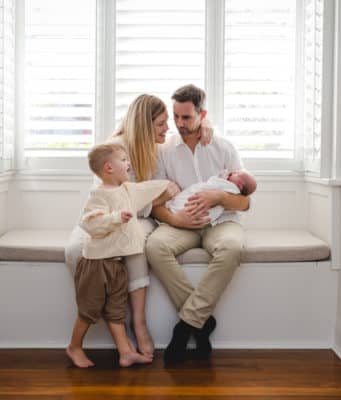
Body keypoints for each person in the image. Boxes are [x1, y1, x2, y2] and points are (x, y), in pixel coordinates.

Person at [65, 94, 212, 358]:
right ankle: (113, 329)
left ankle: (139, 323)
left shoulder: (157, 148)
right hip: (104, 214)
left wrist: (207, 124)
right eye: (161, 123)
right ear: (144, 125)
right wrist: (161, 196)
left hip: (137, 217)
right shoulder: (115, 150)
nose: (167, 128)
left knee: (135, 244)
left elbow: (145, 205)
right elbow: (113, 198)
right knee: (77, 251)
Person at [145, 84, 251, 365]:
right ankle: (201, 323)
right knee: (155, 246)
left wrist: (218, 196)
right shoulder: (163, 151)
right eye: (175, 117)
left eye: (186, 118)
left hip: (221, 221)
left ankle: (186, 326)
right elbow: (155, 205)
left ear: (202, 114)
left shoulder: (224, 147)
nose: (179, 124)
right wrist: (175, 218)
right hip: (180, 223)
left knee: (231, 247)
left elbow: (245, 203)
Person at [66, 143, 170, 368]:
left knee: (116, 311)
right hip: (96, 265)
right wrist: (115, 218)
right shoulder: (98, 196)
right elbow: (89, 224)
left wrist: (169, 185)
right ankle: (74, 347)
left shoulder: (127, 190)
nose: (128, 163)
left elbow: (147, 188)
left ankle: (126, 353)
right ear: (108, 168)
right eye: (123, 160)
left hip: (117, 265)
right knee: (89, 310)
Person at [166, 170, 257, 226]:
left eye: (237, 174)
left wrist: (220, 197)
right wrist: (173, 219)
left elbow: (247, 202)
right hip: (179, 217)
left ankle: (176, 209)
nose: (232, 172)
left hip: (220, 221)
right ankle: (176, 210)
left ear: (240, 186)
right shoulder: (166, 150)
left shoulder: (232, 188)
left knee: (230, 244)